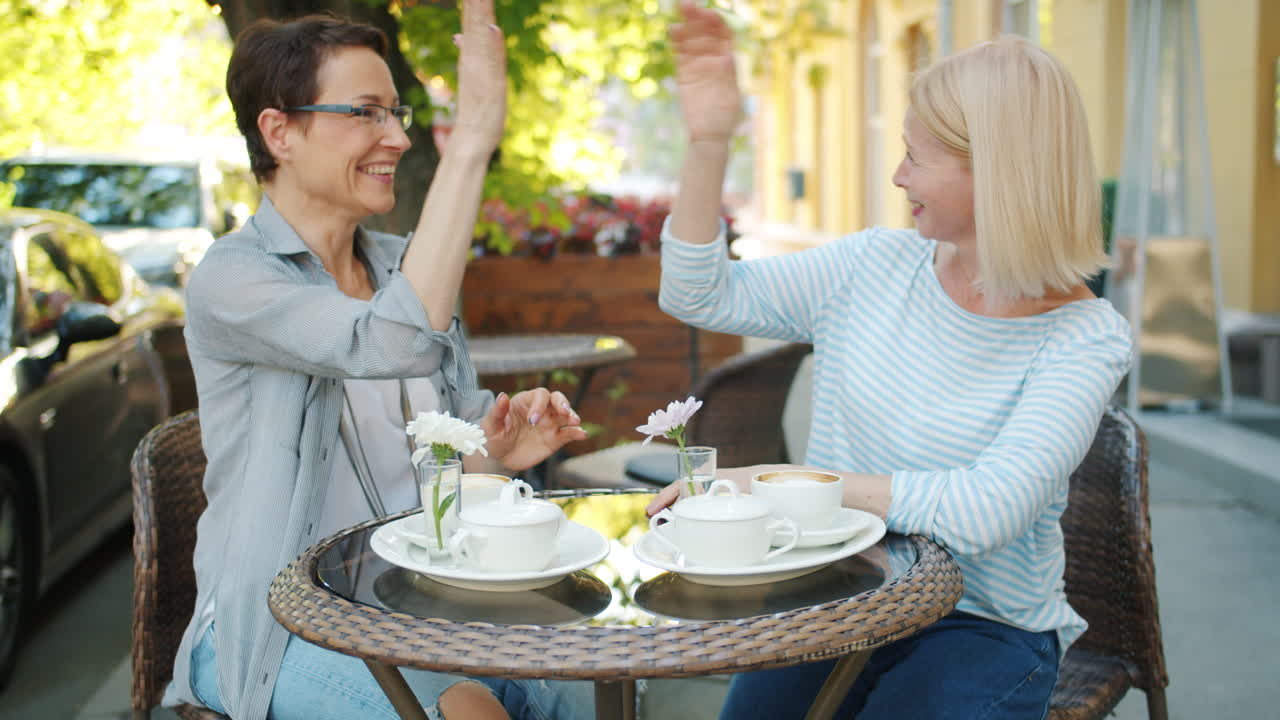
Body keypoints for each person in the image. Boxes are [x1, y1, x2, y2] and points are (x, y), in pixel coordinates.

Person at [649, 3, 1134, 718]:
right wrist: (708, 141)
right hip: (836, 594)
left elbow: (985, 511)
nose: (900, 175)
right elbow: (697, 293)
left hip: (984, 627)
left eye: (918, 156)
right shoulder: (872, 266)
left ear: (994, 171)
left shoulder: (1084, 337)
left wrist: (783, 483)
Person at [163, 3, 594, 719]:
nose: (395, 136)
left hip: (423, 605)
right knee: (471, 714)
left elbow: (438, 462)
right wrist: (471, 142)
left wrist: (493, 451)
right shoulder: (233, 280)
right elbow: (385, 342)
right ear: (280, 132)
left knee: (599, 682)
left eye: (397, 113)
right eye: (366, 112)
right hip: (281, 625)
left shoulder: (402, 269)